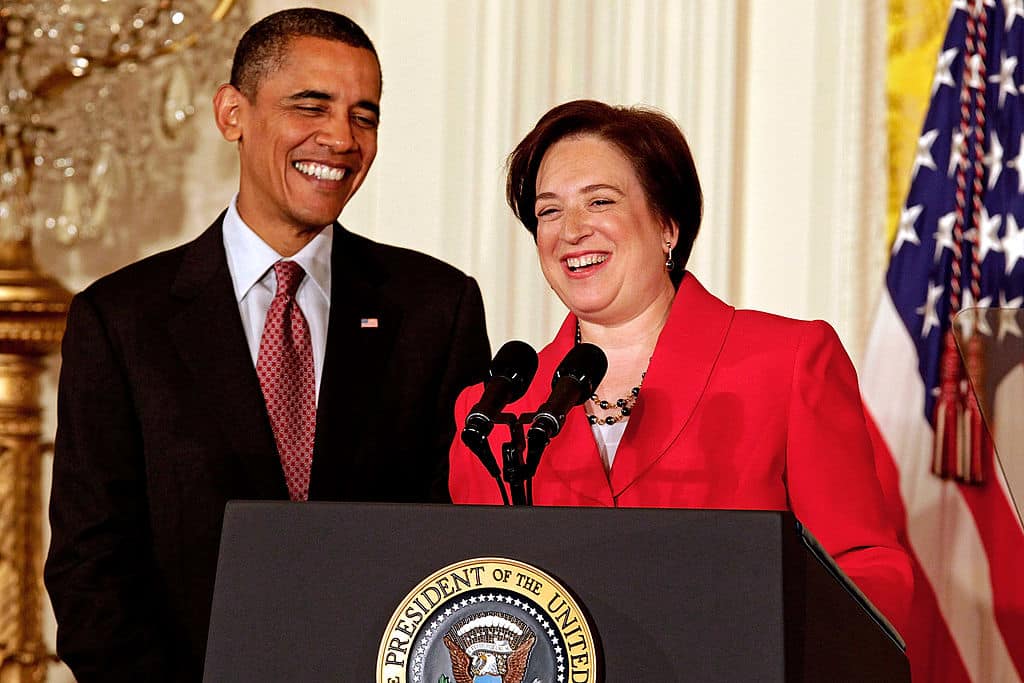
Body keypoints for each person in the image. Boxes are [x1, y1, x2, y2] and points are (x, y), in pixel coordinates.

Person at [44, 8, 490, 682]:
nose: (341, 138)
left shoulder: (437, 307)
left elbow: (460, 540)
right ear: (233, 114)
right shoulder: (121, 318)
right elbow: (90, 567)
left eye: (364, 116)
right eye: (310, 106)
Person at [448, 99, 913, 636]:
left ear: (667, 225)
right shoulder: (492, 411)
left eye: (600, 201)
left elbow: (863, 568)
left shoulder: (788, 361)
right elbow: (479, 601)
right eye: (548, 210)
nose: (570, 230)